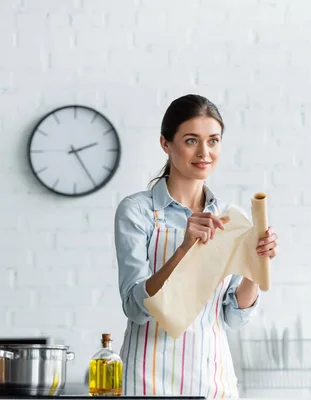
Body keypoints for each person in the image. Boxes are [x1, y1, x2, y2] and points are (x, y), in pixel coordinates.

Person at [113, 94, 278, 398]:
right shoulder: (137, 211)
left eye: (213, 141)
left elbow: (232, 316)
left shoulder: (229, 217)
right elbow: (136, 308)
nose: (205, 152)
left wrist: (256, 265)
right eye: (191, 140)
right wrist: (184, 247)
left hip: (212, 379)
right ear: (166, 144)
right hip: (148, 380)